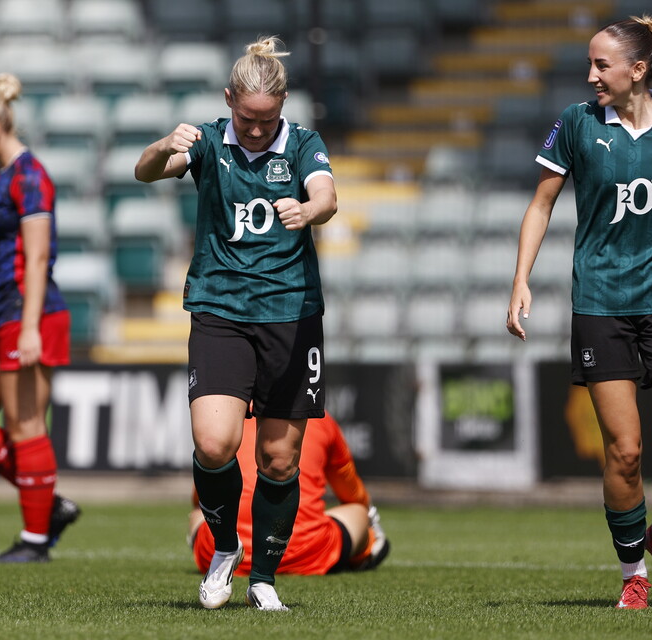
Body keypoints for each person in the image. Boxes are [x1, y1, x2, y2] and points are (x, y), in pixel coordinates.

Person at [506, 11, 652, 610]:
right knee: (626, 451)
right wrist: (521, 280)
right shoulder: (577, 125)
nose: (590, 76)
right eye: (589, 64)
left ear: (638, 70)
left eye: (600, 65)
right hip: (601, 305)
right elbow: (540, 205)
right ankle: (634, 568)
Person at [135, 36, 337, 611]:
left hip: (291, 315)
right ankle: (225, 549)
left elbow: (326, 194)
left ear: (283, 105)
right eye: (246, 118)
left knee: (278, 459)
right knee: (215, 442)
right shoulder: (205, 142)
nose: (255, 129)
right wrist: (161, 144)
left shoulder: (302, 143)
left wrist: (308, 210)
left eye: (266, 118)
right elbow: (146, 171)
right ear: (228, 101)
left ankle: (264, 577)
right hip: (220, 310)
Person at [0, 73, 81, 563]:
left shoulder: (30, 176)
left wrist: (28, 327)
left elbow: (38, 255)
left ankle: (34, 540)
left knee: (26, 425)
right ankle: (48, 502)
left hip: (30, 313)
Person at [187, 412, 390, 577]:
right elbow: (351, 492)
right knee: (359, 511)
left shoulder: (228, 418)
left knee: (199, 512)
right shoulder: (321, 418)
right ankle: (365, 550)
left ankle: (227, 557)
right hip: (308, 550)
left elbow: (205, 493)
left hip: (217, 551)